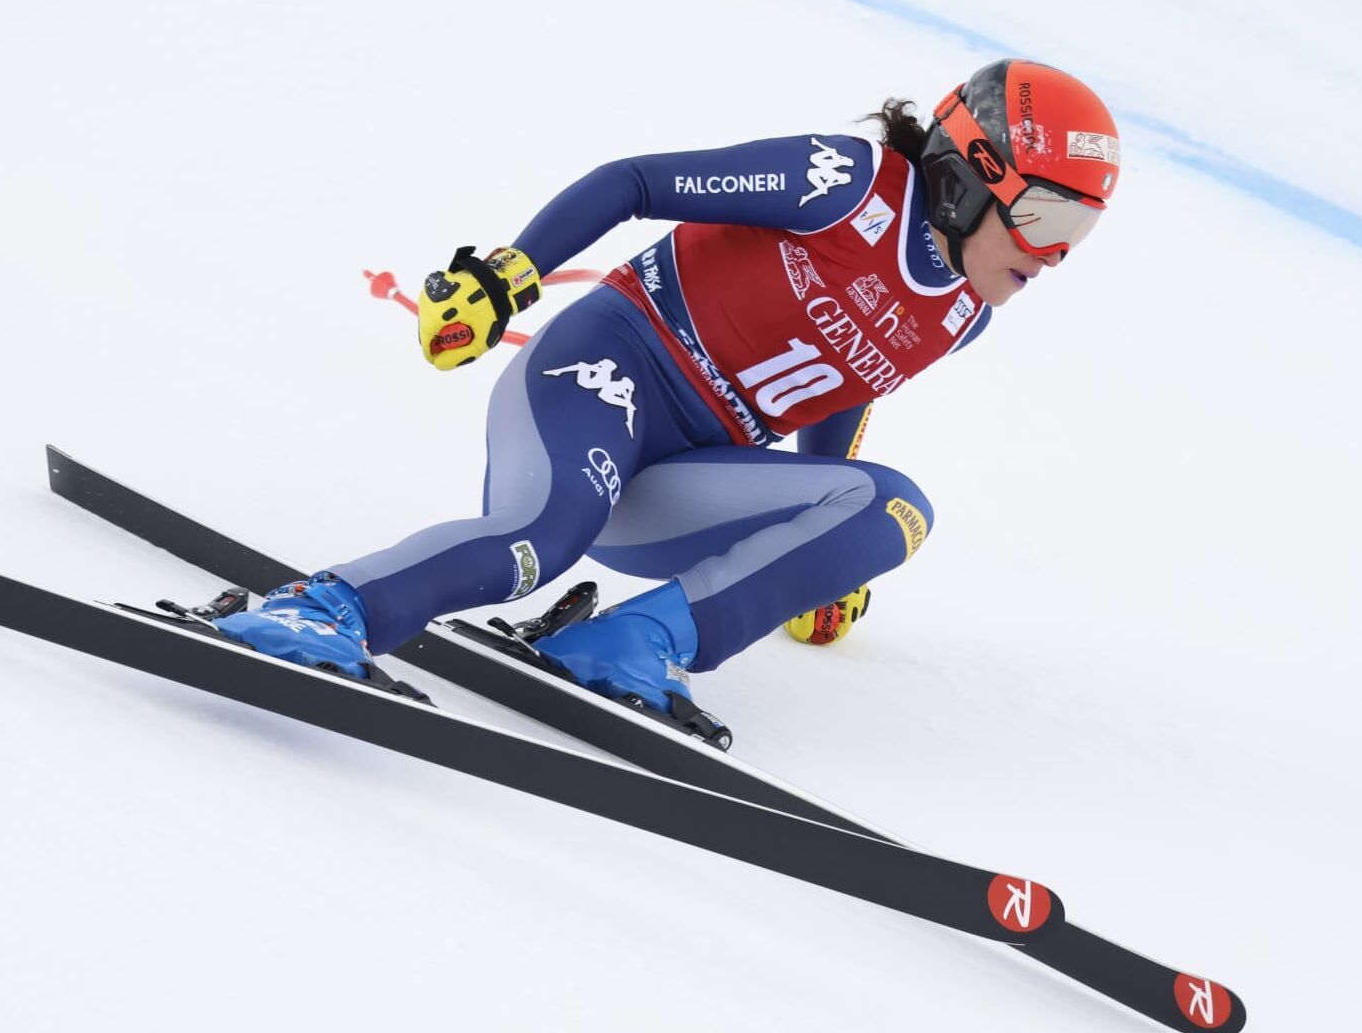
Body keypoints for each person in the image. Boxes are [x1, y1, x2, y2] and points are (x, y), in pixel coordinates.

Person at [215, 59, 1122, 743]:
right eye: (1044, 218)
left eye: (1078, 233)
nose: (1053, 256)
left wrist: (819, 555)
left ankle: (625, 645)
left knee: (892, 511)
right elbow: (637, 182)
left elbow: (843, 388)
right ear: (967, 176)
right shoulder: (842, 182)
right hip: (600, 379)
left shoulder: (962, 316)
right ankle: (319, 609)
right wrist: (508, 277)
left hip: (680, 476)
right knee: (546, 533)